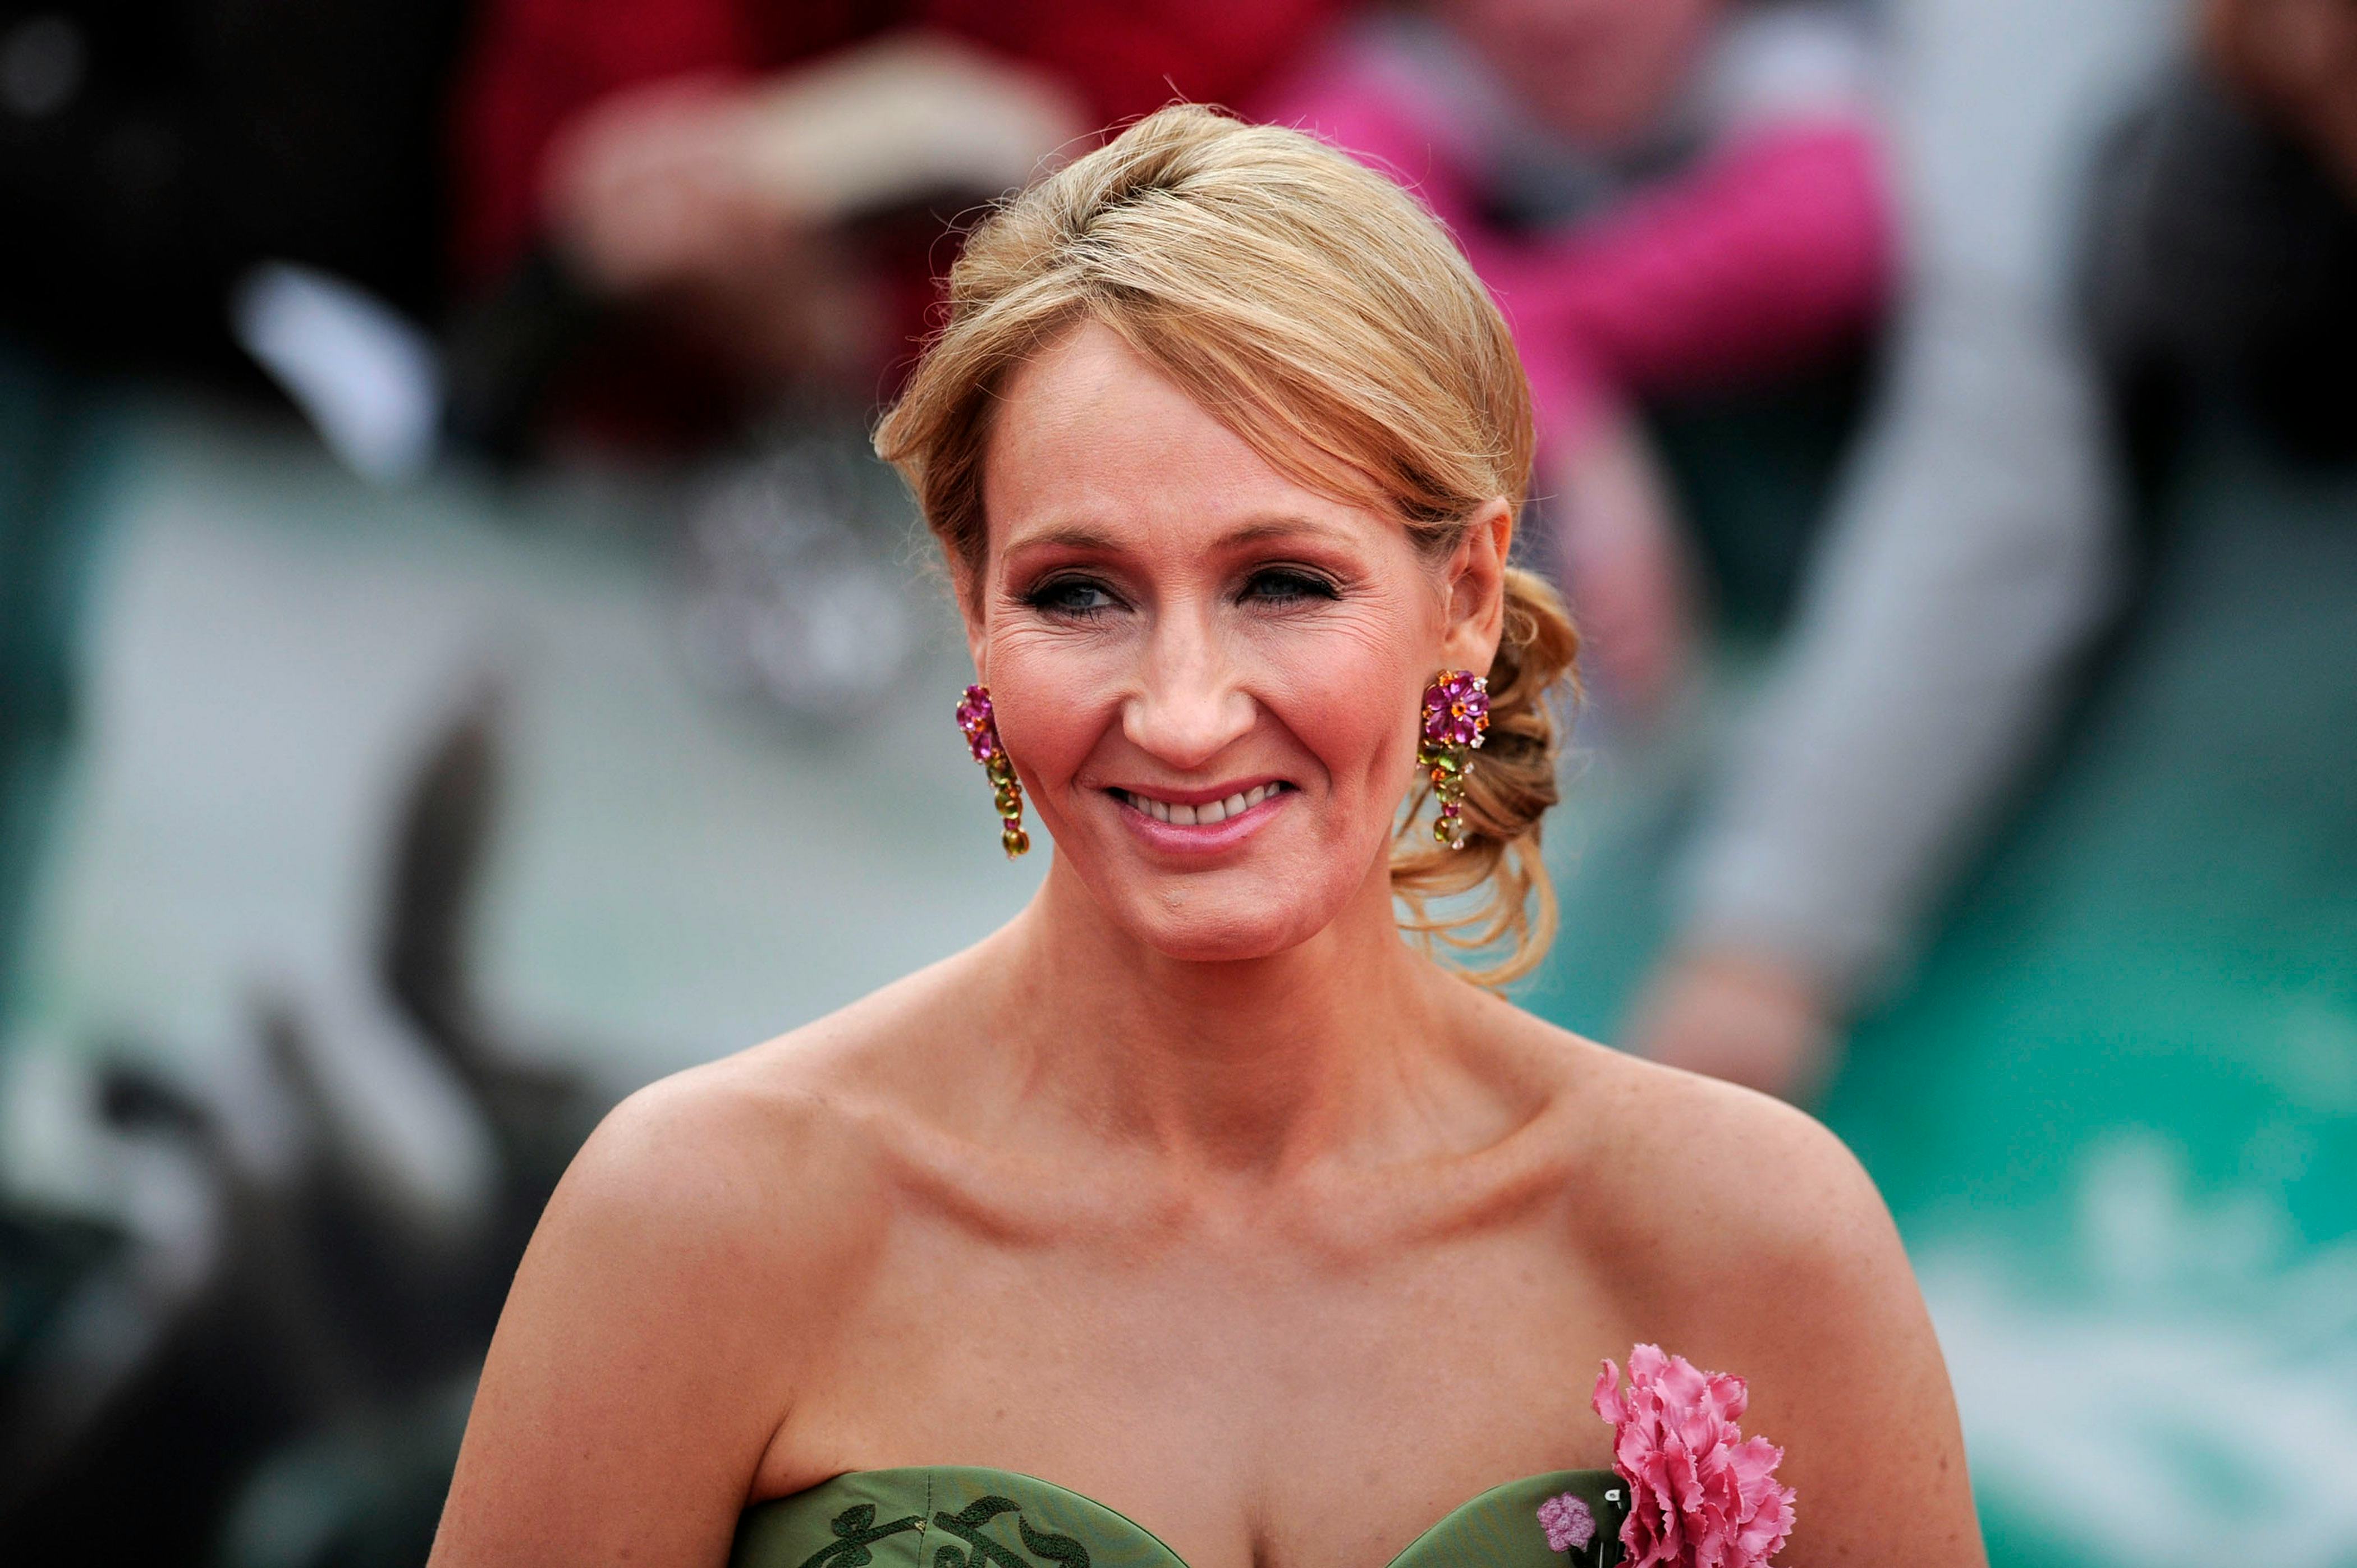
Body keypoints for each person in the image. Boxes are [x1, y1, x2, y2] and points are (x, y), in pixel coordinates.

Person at [428, 108, 1982, 1568]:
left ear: (1463, 598)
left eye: (1283, 584)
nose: (1181, 714)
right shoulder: (699, 1221)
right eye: (1079, 594)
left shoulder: (1753, 1240)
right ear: (975, 616)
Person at [1258, 0, 1893, 714]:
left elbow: (1829, 233)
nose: (1555, 15)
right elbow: (1301, 226)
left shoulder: (1795, 73)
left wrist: (1526, 353)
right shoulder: (1423, 79)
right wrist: (1561, 411)